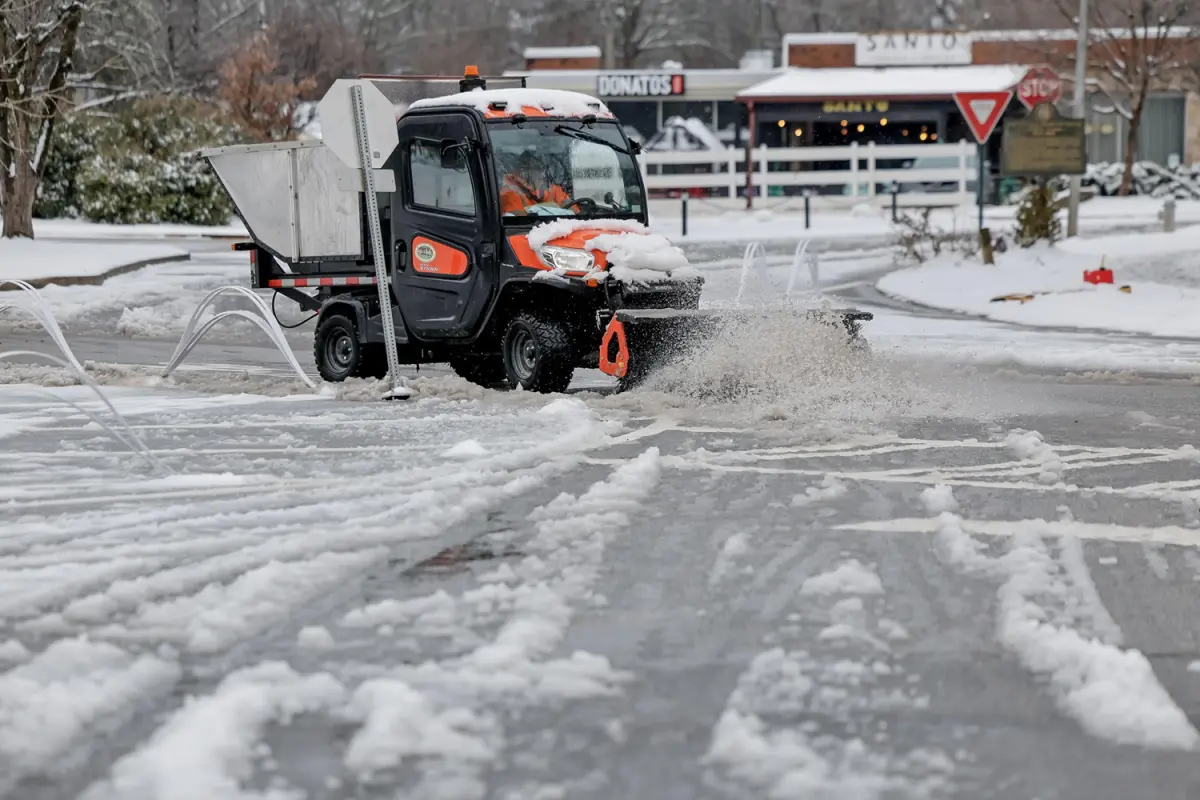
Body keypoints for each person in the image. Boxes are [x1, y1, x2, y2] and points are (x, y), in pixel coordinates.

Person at [499, 152, 571, 214]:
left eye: (541, 169)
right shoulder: (510, 192)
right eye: (536, 169)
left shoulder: (555, 190)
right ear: (523, 172)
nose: (542, 174)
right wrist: (558, 208)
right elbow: (516, 221)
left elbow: (575, 212)